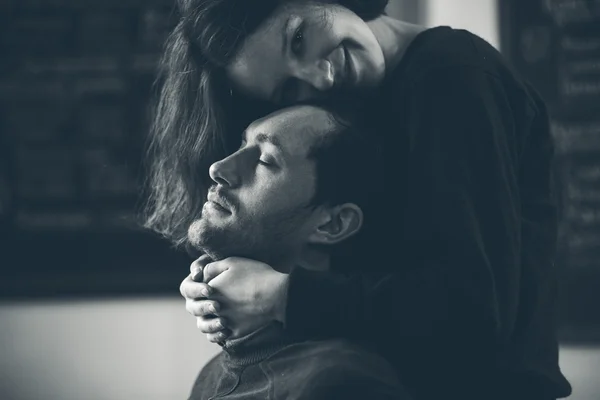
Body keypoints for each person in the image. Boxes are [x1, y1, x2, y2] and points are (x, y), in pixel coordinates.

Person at [146, 1, 572, 399]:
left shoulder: (454, 75)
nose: (320, 79)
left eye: (298, 38)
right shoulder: (358, 99)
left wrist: (280, 298)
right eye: (288, 89)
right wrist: (217, 283)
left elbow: (473, 312)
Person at [186, 104, 406, 399]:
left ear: (332, 223)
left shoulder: (340, 383)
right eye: (242, 144)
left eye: (265, 160)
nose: (219, 169)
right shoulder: (211, 375)